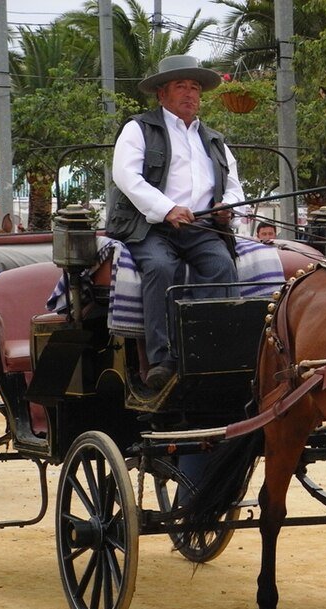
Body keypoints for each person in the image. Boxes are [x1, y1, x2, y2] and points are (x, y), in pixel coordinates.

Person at [109, 55, 244, 390]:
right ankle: (162, 359)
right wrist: (167, 208)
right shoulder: (138, 128)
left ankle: (213, 350)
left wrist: (228, 208)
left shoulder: (214, 139)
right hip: (150, 228)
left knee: (222, 266)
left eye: (195, 87)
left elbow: (234, 186)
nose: (190, 93)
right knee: (159, 268)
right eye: (181, 86)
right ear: (161, 94)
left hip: (202, 228)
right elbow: (126, 176)